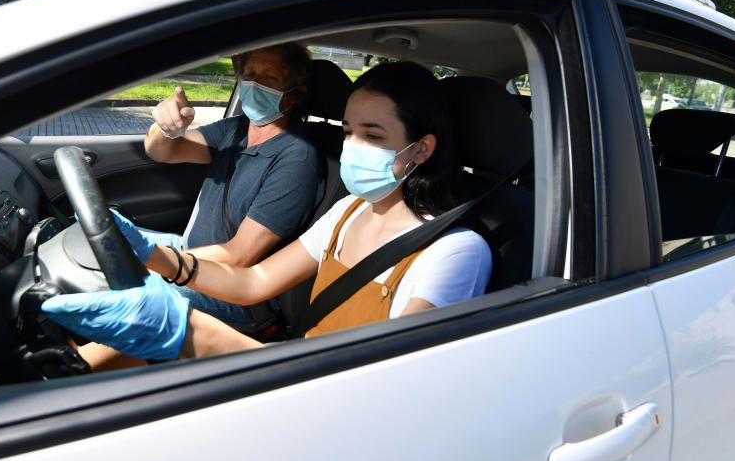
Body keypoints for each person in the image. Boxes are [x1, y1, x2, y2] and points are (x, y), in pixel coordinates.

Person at [45, 62, 491, 362]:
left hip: (329, 408)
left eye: (372, 136)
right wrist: (159, 259)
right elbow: (253, 281)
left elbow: (387, 383)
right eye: (349, 131)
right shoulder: (350, 211)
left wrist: (190, 332)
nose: (352, 147)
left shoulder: (453, 253)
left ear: (423, 149)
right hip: (299, 373)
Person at [129, 43, 323, 326]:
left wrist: (156, 262)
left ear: (295, 93)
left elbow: (239, 255)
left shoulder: (297, 158)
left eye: (270, 78)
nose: (254, 84)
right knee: (106, 234)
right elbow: (162, 152)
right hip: (189, 253)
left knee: (127, 292)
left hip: (232, 292)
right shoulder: (235, 129)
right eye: (250, 74)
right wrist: (165, 129)